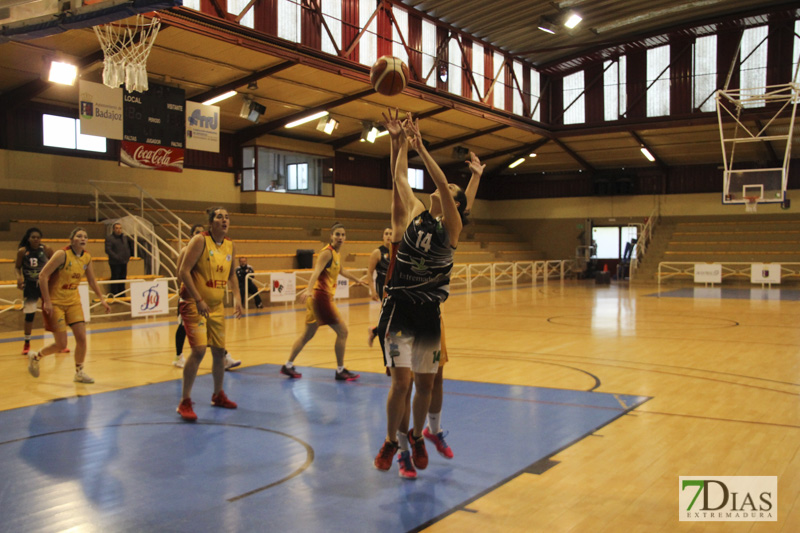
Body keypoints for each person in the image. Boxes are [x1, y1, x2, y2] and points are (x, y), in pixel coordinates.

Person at [373, 111, 466, 479]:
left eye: (449, 194)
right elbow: (398, 178)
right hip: (399, 309)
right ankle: (391, 441)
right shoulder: (414, 212)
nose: (441, 192)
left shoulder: (452, 229)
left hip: (428, 313)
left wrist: (422, 148)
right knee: (402, 382)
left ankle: (415, 435)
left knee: (426, 383)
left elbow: (443, 184)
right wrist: (395, 142)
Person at [176, 207, 243, 421]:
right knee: (198, 351)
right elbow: (183, 272)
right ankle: (185, 401)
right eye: (219, 216)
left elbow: (232, 274)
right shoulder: (200, 241)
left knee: (219, 352)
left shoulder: (231, 245)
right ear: (211, 222)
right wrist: (199, 299)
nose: (224, 220)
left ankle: (218, 395)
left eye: (227, 217)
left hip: (215, 306)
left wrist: (238, 299)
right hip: (193, 303)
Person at [280, 222, 367, 381]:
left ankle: (288, 365)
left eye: (343, 235)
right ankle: (340, 370)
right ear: (331, 236)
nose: (340, 237)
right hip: (321, 297)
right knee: (343, 332)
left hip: (318, 299)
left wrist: (358, 280)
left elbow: (342, 271)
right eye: (337, 234)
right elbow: (316, 272)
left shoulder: (336, 254)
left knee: (307, 335)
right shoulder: (326, 253)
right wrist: (308, 290)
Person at [27, 227, 111, 383]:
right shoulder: (62, 254)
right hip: (56, 302)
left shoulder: (86, 258)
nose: (83, 238)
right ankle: (36, 356)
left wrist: (102, 299)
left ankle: (79, 372)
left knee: (82, 338)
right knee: (61, 344)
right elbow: (43, 275)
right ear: (72, 239)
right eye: (79, 236)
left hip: (73, 301)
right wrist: (47, 301)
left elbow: (92, 280)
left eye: (85, 236)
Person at [172, 224, 243, 371]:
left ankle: (224, 356)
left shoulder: (209, 250)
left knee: (210, 330)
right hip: (189, 297)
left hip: (205, 298)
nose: (200, 235)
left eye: (201, 232)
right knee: (183, 327)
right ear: (191, 236)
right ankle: (178, 356)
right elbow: (180, 274)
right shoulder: (186, 251)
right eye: (196, 233)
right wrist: (188, 295)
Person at [15, 227, 54, 355]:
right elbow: (17, 267)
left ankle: (59, 342)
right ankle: (27, 343)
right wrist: (19, 278)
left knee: (52, 313)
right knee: (29, 315)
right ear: (28, 238)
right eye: (33, 237)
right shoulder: (23, 251)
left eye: (38, 237)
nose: (36, 239)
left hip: (44, 285)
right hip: (30, 286)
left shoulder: (46, 249)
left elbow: (56, 264)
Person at [365, 227, 392, 347]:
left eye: (391, 233)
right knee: (390, 314)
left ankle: (375, 331)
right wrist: (372, 290)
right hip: (382, 288)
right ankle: (383, 336)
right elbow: (369, 272)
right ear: (382, 237)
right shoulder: (377, 252)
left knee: (391, 315)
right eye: (386, 233)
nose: (388, 236)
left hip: (394, 288)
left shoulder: (397, 252)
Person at [105, 222, 134, 296]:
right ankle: (114, 294)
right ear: (113, 229)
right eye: (117, 228)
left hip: (124, 262)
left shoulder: (124, 238)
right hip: (115, 262)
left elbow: (128, 248)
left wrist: (128, 256)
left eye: (120, 228)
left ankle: (122, 294)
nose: (119, 230)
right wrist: (117, 257)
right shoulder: (109, 238)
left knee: (123, 278)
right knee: (115, 278)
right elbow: (108, 250)